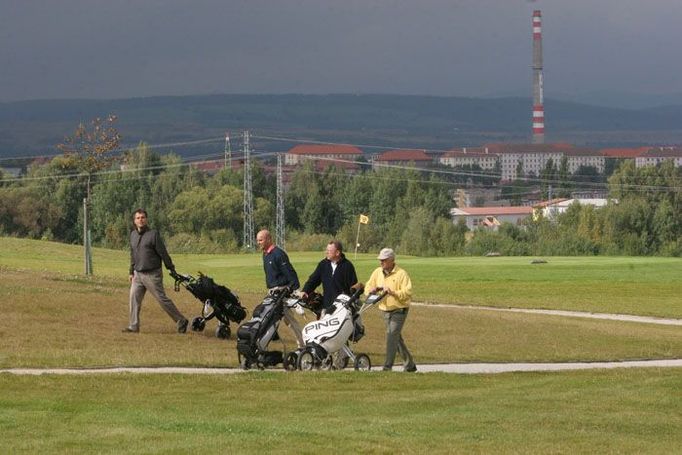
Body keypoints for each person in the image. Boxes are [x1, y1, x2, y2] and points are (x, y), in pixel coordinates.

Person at [123, 208, 188, 334]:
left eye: (142, 217)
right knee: (133, 299)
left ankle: (181, 320)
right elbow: (133, 254)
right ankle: (133, 326)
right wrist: (131, 271)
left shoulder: (153, 235)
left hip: (152, 274)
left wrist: (171, 269)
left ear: (146, 220)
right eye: (138, 218)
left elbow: (163, 253)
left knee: (161, 299)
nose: (140, 220)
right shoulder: (133, 235)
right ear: (134, 221)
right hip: (138, 274)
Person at [365, 248, 417, 372]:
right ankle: (409, 365)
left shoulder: (401, 274)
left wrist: (393, 293)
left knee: (391, 335)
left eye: (384, 260)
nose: (381, 262)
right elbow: (368, 286)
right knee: (395, 337)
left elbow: (407, 292)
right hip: (384, 309)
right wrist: (372, 290)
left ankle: (387, 367)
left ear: (391, 260)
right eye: (380, 260)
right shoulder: (377, 272)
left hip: (399, 309)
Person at [256, 229, 303, 346]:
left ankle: (303, 344)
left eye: (260, 240)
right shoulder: (265, 254)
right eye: (257, 240)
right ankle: (265, 341)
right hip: (272, 293)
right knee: (268, 316)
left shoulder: (278, 254)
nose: (258, 242)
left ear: (268, 239)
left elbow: (290, 272)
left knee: (290, 321)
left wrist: (295, 289)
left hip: (281, 294)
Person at [302, 240, 358, 317]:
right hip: (326, 307)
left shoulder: (348, 266)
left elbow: (354, 288)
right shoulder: (323, 264)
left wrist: (352, 303)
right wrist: (305, 290)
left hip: (342, 309)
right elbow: (313, 280)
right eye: (326, 250)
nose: (326, 252)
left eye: (329, 250)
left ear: (337, 253)